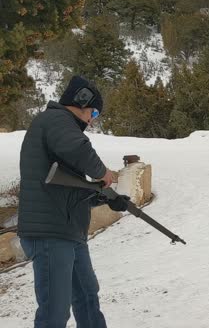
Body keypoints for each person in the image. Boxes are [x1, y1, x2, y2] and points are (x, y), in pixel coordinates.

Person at [17, 75, 130, 328]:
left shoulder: (59, 128)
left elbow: (69, 189)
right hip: (49, 233)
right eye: (94, 111)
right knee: (54, 314)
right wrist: (103, 173)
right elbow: (79, 150)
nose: (93, 120)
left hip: (68, 231)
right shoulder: (56, 120)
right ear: (81, 101)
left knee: (87, 297)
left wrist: (107, 198)